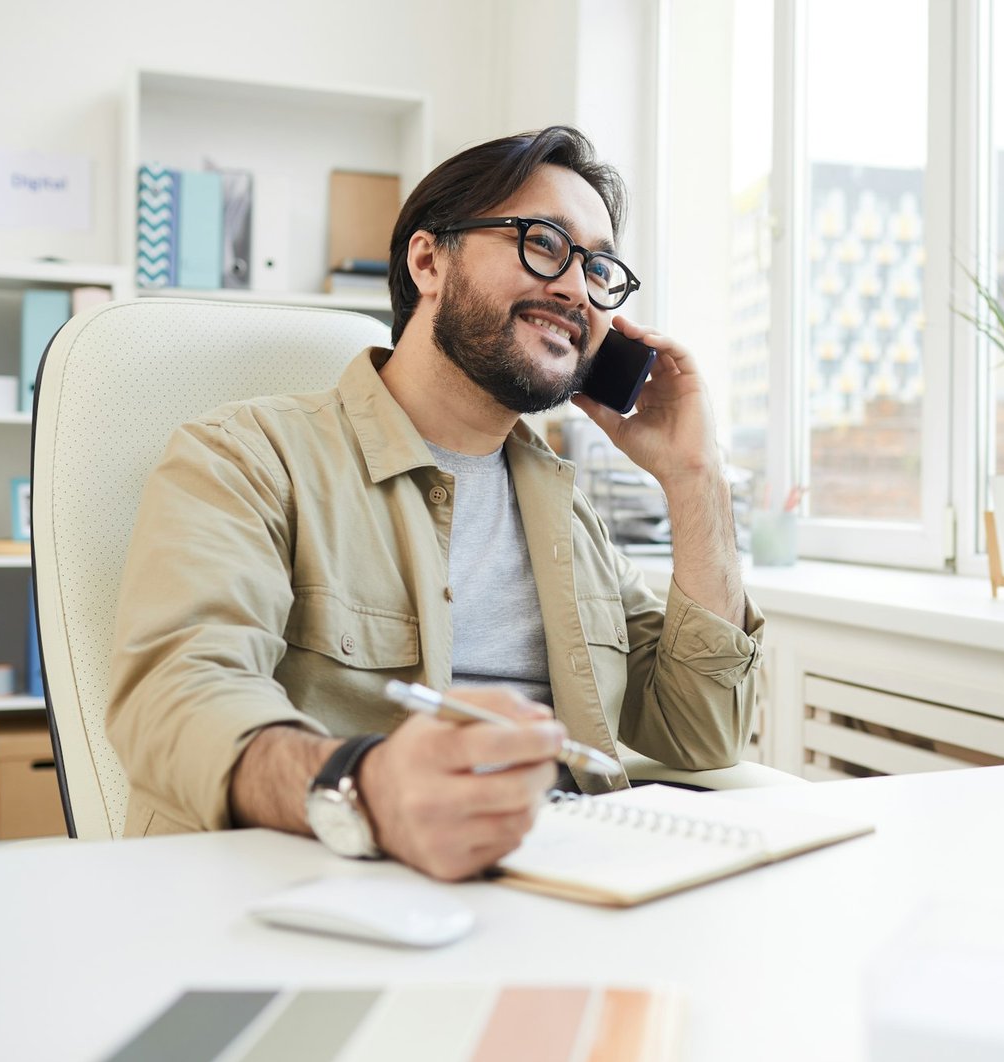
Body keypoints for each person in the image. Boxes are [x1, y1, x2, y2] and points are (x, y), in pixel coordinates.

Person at [105, 126, 764, 881]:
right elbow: (176, 699)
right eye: (545, 243)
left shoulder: (565, 513)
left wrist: (696, 476)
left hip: (566, 889)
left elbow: (703, 730)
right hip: (327, 887)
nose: (578, 289)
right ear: (427, 260)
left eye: (599, 267)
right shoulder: (246, 457)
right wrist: (369, 789)